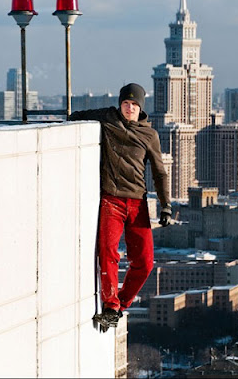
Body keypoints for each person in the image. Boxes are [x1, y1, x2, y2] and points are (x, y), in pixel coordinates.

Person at [68, 82, 171, 330]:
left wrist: (166, 206)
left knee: (144, 262)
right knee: (108, 252)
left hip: (138, 203)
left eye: (134, 105)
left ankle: (121, 304)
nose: (129, 108)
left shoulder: (150, 135)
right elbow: (75, 117)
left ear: (140, 108)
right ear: (120, 104)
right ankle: (111, 306)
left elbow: (159, 173)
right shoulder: (108, 119)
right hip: (111, 200)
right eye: (126, 103)